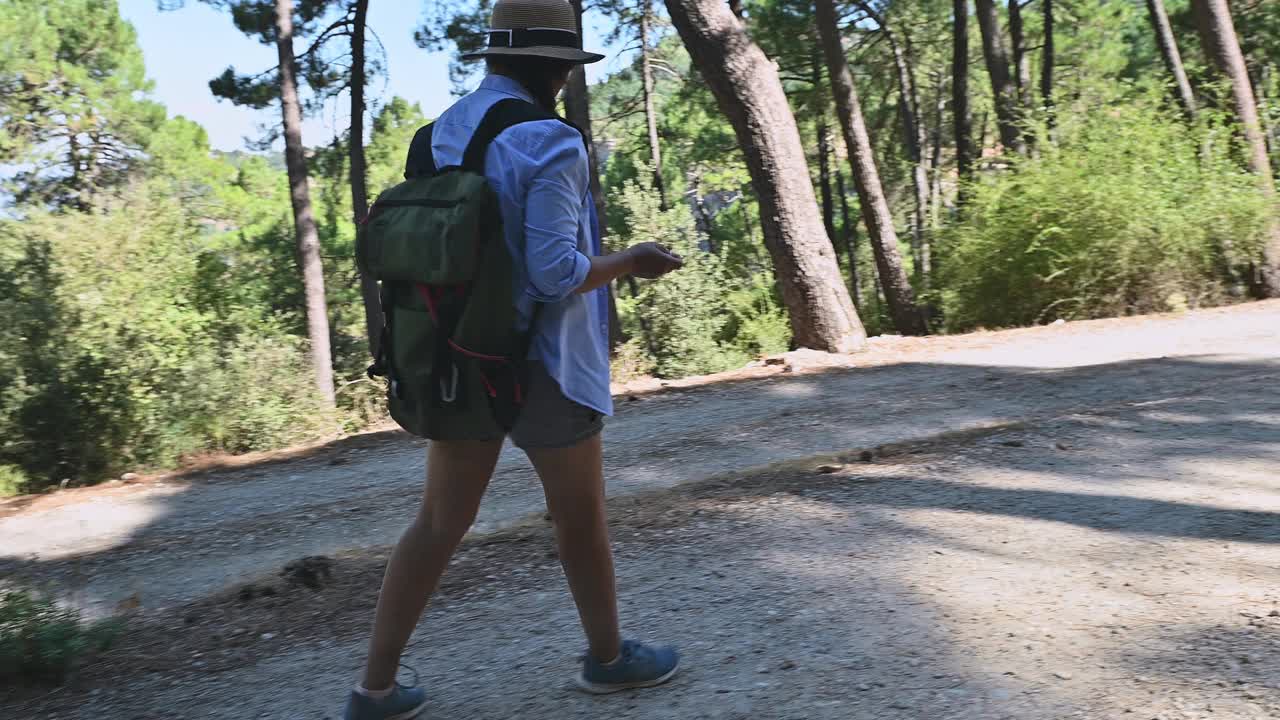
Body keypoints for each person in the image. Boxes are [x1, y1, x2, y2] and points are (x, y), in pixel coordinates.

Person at [343, 1, 684, 718]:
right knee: (579, 517)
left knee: (438, 521)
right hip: (543, 362)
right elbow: (555, 273)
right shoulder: (551, 142)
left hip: (455, 355)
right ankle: (609, 658)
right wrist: (631, 261)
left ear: (495, 58)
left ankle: (374, 689)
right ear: (556, 67)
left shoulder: (433, 137)